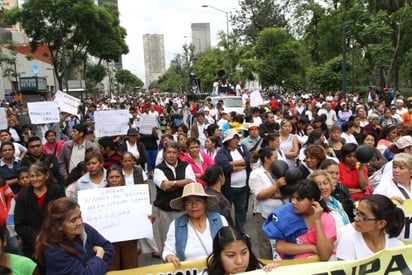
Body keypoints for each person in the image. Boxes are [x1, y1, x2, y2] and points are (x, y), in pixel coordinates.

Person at [33, 197, 114, 274]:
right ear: (59, 226)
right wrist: (99, 255)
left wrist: (92, 268)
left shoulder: (85, 228)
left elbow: (109, 249)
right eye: (73, 220)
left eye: (79, 216)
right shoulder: (54, 250)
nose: (79, 222)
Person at [263, 180, 336, 261]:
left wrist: (317, 221)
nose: (294, 202)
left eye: (299, 199)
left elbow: (325, 255)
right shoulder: (286, 213)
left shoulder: (327, 219)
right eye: (293, 198)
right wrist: (312, 248)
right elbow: (280, 247)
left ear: (312, 200)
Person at [162, 182, 228, 268]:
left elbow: (230, 245)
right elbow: (168, 250)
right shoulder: (176, 225)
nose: (194, 205)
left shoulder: (220, 220)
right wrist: (169, 256)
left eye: (198, 201)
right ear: (185, 206)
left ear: (205, 203)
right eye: (189, 202)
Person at [14, 162, 65, 259]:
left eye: (38, 175)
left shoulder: (57, 191)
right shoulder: (23, 195)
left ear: (46, 176)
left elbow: (62, 216)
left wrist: (48, 238)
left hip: (55, 241)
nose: (34, 179)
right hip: (32, 245)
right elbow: (19, 224)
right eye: (31, 176)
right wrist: (36, 238)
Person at [152, 141, 196, 249]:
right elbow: (165, 187)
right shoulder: (158, 169)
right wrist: (182, 183)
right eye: (168, 152)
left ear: (178, 154)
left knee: (187, 239)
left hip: (184, 209)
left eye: (174, 152)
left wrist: (173, 183)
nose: (171, 155)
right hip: (166, 211)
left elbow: (191, 182)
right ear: (164, 154)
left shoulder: (186, 165)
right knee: (167, 241)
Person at [336, 195, 404, 260]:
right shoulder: (348, 240)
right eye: (357, 212)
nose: (356, 218)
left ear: (381, 224)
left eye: (363, 216)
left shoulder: (397, 246)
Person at [248, 147, 286, 260]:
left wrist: (274, 194)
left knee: (282, 242)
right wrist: (276, 186)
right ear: (266, 159)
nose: (278, 160)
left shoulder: (279, 171)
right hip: (264, 215)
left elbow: (285, 193)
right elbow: (259, 195)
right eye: (275, 157)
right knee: (266, 244)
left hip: (281, 215)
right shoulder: (256, 174)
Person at [214, 128, 251, 233]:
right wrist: (238, 165)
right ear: (227, 141)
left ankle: (240, 231)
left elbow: (248, 160)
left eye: (236, 138)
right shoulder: (222, 151)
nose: (235, 141)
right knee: (227, 211)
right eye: (232, 139)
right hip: (229, 188)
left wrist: (232, 163)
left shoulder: (242, 148)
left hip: (243, 187)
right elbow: (225, 166)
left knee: (241, 210)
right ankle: (228, 231)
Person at [206, 226, 278, 274]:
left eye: (244, 253)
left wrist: (275, 271)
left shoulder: (259, 270)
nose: (239, 261)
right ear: (219, 255)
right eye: (231, 255)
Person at [308, 170, 350, 240]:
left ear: (330, 184)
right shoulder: (316, 208)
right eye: (318, 185)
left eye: (325, 183)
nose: (322, 187)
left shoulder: (336, 202)